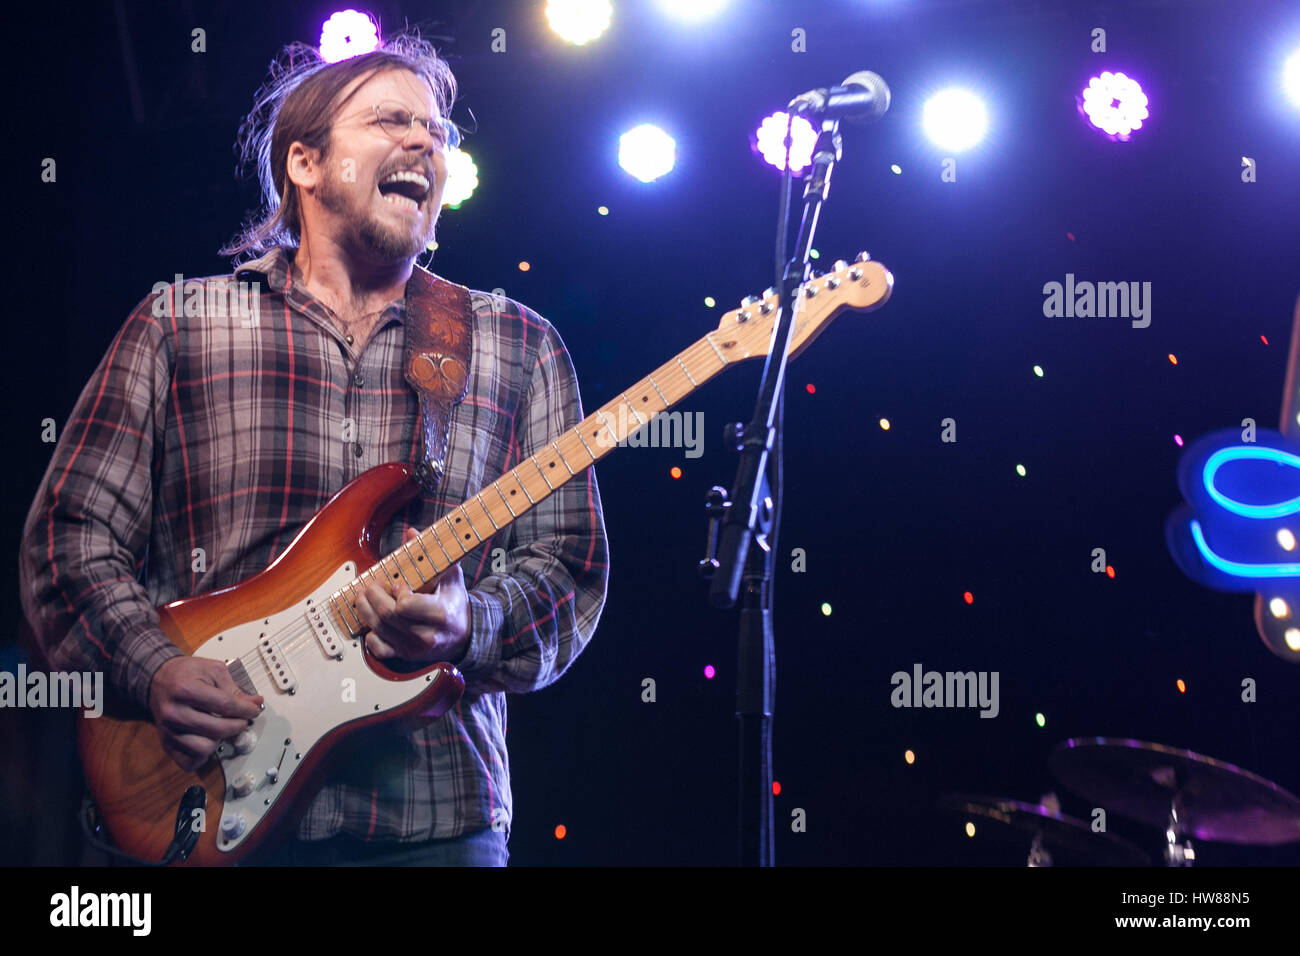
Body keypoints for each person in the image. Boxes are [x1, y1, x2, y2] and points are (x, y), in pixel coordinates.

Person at [18, 34, 609, 867]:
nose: (424, 142)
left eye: (437, 131)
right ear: (304, 162)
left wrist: (465, 626)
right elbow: (68, 538)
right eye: (391, 120)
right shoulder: (180, 322)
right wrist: (152, 669)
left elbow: (568, 564)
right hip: (194, 796)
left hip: (430, 823)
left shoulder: (516, 343)